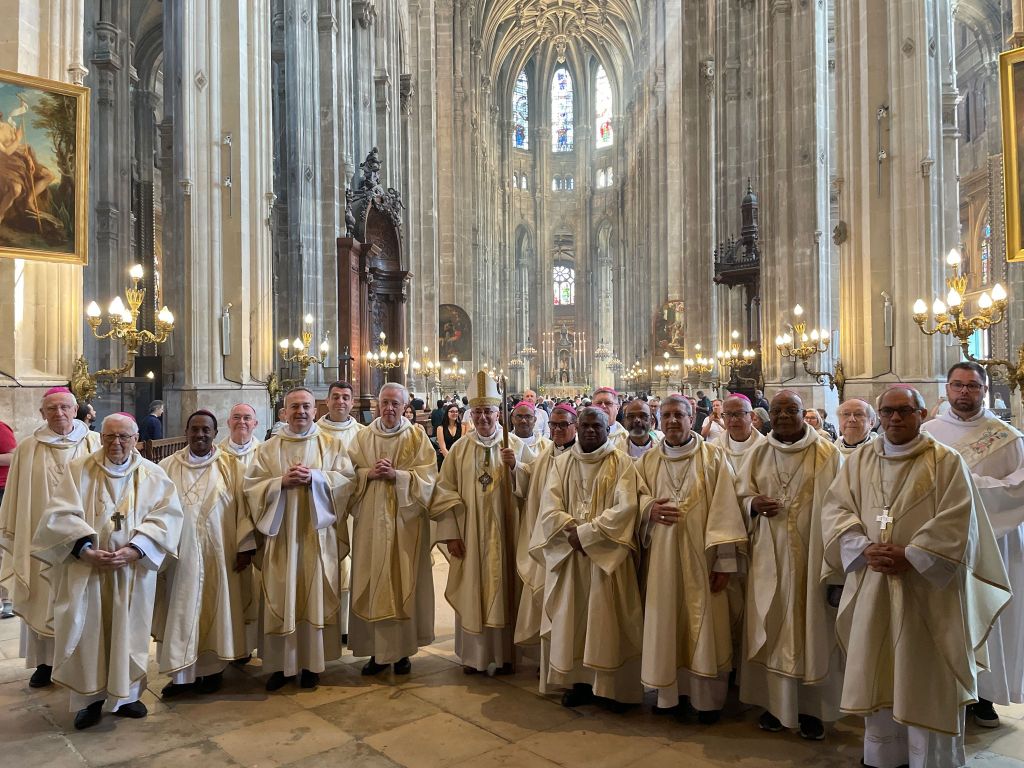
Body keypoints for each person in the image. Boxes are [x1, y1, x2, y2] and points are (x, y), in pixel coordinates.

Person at [823, 385, 1011, 768]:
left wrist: (912, 555)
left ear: (922, 415)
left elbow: (960, 521)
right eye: (888, 411)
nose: (895, 418)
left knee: (925, 673)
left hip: (929, 589)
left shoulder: (947, 461)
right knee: (878, 669)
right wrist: (862, 547)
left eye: (905, 411)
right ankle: (883, 756)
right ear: (879, 416)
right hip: (873, 582)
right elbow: (836, 509)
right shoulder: (859, 462)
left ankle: (932, 760)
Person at [33, 413, 183, 729]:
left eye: (124, 437)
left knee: (129, 633)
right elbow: (57, 516)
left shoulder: (154, 475)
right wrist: (85, 550)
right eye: (110, 436)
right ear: (101, 437)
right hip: (87, 572)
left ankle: (126, 697)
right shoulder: (78, 470)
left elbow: (168, 517)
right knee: (89, 635)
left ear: (136, 438)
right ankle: (89, 700)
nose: (117, 443)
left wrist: (135, 548)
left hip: (133, 572)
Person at [737, 390, 842, 741]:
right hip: (768, 557)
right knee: (772, 625)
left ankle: (814, 710)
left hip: (814, 561)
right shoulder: (758, 453)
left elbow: (842, 506)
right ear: (769, 414)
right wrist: (753, 504)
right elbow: (739, 496)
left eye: (791, 410)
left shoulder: (828, 455)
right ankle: (775, 707)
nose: (783, 416)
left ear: (803, 413)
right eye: (778, 410)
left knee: (813, 630)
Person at [923, 362, 1024, 728]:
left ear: (984, 389)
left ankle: (986, 695)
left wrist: (969, 486)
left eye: (972, 386)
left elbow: (1018, 488)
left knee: (992, 615)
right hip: (943, 542)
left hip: (996, 542)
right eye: (957, 385)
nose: (964, 392)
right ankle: (947, 689)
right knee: (948, 617)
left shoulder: (1008, 437)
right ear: (947, 389)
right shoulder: (927, 434)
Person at [637, 395, 747, 723]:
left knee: (706, 626)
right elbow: (635, 497)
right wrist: (648, 509)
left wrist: (724, 563)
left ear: (691, 418)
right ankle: (669, 695)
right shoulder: (646, 462)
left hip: (704, 560)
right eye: (666, 415)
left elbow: (726, 510)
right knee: (665, 623)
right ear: (659, 421)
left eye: (679, 415)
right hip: (661, 563)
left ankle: (706, 702)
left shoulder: (714, 458)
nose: (672, 421)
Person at [530, 407, 643, 711]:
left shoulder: (622, 463)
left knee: (608, 622)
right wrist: (574, 534)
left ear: (609, 429)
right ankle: (579, 683)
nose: (591, 431)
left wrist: (587, 535)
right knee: (574, 620)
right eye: (586, 426)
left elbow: (627, 506)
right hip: (571, 557)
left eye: (598, 426)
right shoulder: (563, 462)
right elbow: (549, 507)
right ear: (577, 428)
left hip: (608, 558)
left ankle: (611, 688)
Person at [243, 387, 355, 691]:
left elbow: (347, 482)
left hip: (317, 537)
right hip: (281, 540)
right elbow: (251, 487)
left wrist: (316, 479)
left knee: (314, 594)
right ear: (284, 412)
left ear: (315, 410)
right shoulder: (268, 449)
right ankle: (281, 666)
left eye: (306, 406)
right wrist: (280, 483)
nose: (301, 412)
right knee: (282, 595)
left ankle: (311, 665)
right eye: (294, 407)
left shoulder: (330, 445)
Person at [0, 387, 101, 686]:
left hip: (84, 540)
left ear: (75, 410)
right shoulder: (30, 448)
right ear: (42, 413)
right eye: (52, 409)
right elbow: (17, 497)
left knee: (82, 600)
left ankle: (83, 662)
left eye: (65, 407)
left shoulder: (95, 443)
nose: (59, 413)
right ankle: (44, 663)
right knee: (42, 596)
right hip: (39, 541)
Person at [431, 372, 523, 674]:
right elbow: (444, 492)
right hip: (470, 536)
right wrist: (451, 535)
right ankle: (475, 657)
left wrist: (517, 469)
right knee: (473, 590)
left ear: (499, 414)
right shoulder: (460, 450)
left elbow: (538, 488)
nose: (484, 417)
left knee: (508, 589)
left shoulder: (516, 446)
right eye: (479, 411)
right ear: (471, 413)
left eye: (489, 411)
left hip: (508, 537)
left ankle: (506, 655)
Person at [157, 410, 252, 696]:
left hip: (220, 554)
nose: (200, 435)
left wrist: (245, 547)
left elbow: (245, 510)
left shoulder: (232, 467)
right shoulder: (166, 466)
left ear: (215, 433)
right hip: (179, 558)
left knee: (218, 609)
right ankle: (181, 676)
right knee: (180, 613)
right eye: (194, 429)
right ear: (186, 432)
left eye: (206, 430)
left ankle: (213, 671)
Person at [347, 383, 438, 676]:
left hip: (405, 524)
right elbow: (347, 478)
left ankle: (401, 653)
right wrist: (368, 474)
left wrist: (397, 475)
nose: (389, 409)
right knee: (373, 580)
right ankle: (376, 653)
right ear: (376, 404)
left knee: (404, 582)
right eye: (384, 402)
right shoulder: (362, 438)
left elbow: (428, 479)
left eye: (395, 404)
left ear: (405, 406)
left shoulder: (417, 436)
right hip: (371, 525)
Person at [515, 402, 578, 652]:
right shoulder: (546, 454)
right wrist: (514, 468)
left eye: (564, 424)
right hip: (546, 539)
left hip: (572, 542)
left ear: (575, 426)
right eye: (554, 424)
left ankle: (566, 656)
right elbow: (529, 481)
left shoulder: (581, 456)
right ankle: (549, 658)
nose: (558, 429)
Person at [316, 380, 365, 642]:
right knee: (324, 566)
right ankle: (324, 619)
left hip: (354, 509)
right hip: (322, 509)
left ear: (352, 401)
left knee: (350, 565)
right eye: (336, 397)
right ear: (327, 400)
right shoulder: (313, 433)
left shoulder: (362, 433)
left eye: (346, 397)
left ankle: (346, 625)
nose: (341, 402)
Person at [218, 402, 261, 655]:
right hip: (227, 532)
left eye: (247, 418)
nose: (241, 422)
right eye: (236, 417)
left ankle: (252, 643)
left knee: (257, 589)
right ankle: (235, 647)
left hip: (261, 530)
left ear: (255, 423)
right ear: (228, 422)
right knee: (232, 590)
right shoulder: (216, 454)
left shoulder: (265, 452)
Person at [0, 417, 15, 619]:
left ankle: (7, 601)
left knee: (2, 549)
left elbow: (13, 457)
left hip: (1, 489)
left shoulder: (1, 428)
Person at [591, 387, 629, 452]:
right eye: (598, 403)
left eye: (608, 403)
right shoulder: (582, 436)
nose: (603, 406)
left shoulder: (626, 438)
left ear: (617, 408)